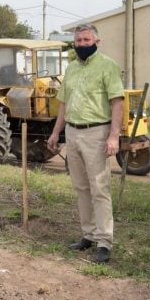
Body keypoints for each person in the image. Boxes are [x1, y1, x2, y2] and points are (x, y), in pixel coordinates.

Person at [47, 24, 124, 263]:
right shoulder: (70, 69)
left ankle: (104, 241)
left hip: (97, 133)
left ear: (97, 42)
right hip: (73, 132)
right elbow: (63, 104)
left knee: (99, 188)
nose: (81, 44)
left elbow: (117, 103)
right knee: (81, 187)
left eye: (86, 40)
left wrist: (114, 136)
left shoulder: (108, 67)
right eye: (78, 40)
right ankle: (88, 234)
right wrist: (55, 132)